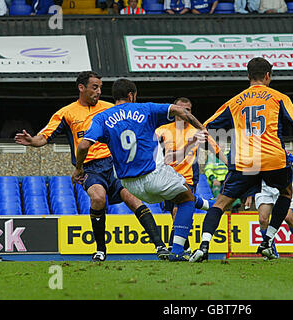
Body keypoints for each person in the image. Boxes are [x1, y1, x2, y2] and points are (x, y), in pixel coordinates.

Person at [189, 57, 293, 262]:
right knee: (286, 193)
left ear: (248, 76)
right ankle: (267, 240)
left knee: (220, 204)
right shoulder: (279, 97)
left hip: (245, 162)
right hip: (274, 159)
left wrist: (208, 147)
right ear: (268, 76)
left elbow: (205, 128)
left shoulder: (234, 101)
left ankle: (203, 247)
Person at [14, 71, 169, 262]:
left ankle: (160, 246)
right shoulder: (66, 113)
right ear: (82, 88)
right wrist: (32, 140)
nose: (99, 91)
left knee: (133, 199)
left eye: (100, 88)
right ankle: (101, 249)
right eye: (95, 87)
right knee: (98, 197)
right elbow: (44, 137)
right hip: (90, 168)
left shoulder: (109, 108)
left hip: (114, 164)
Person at [72, 78, 210, 262]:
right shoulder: (145, 109)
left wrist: (79, 169)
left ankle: (210, 205)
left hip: (130, 185)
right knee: (186, 199)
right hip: (153, 176)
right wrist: (202, 128)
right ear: (131, 95)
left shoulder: (101, 117)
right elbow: (180, 110)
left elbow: (82, 147)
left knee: (179, 195)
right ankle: (177, 251)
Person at [155, 97, 224, 251]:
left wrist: (230, 165)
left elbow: (215, 149)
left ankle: (175, 247)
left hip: (188, 178)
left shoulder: (197, 131)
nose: (185, 112)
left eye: (188, 110)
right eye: (181, 109)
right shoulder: (162, 130)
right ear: (174, 111)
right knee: (174, 215)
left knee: (178, 210)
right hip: (166, 178)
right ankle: (185, 246)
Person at [252, 151, 293, 259]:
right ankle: (272, 252)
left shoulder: (277, 149)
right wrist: (249, 194)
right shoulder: (254, 151)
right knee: (263, 219)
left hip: (282, 187)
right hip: (264, 188)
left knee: (288, 217)